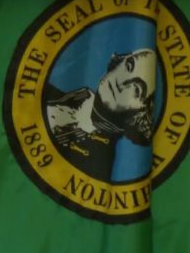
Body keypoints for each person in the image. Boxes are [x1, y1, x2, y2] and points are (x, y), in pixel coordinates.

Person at [45, 48, 156, 181]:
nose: (122, 83)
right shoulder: (50, 94)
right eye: (128, 66)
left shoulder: (97, 167)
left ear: (141, 115)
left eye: (136, 89)